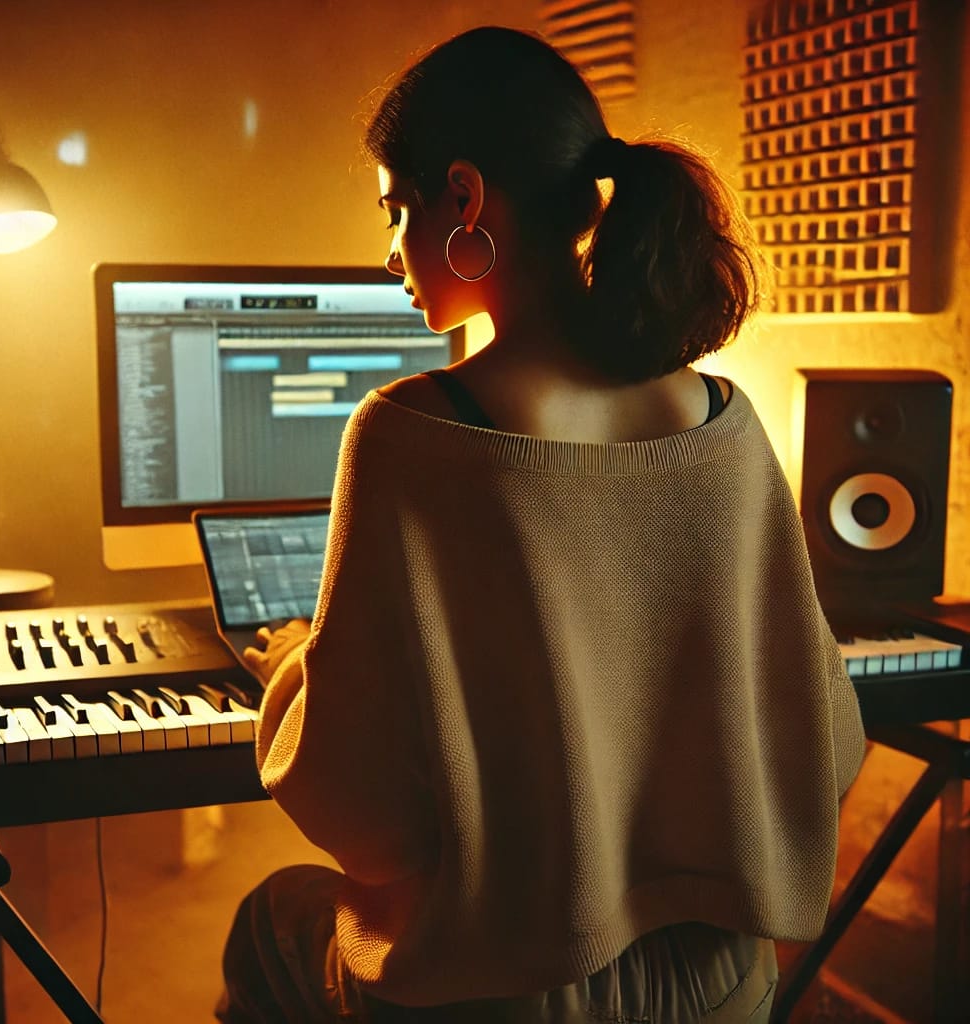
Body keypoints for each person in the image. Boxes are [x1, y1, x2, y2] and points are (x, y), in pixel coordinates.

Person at [216, 25, 866, 1023]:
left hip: (504, 996)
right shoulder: (726, 421)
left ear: (464, 200)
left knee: (267, 920)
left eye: (396, 209)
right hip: (724, 985)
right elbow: (830, 736)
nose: (389, 251)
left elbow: (363, 814)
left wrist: (298, 671)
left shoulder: (407, 432)